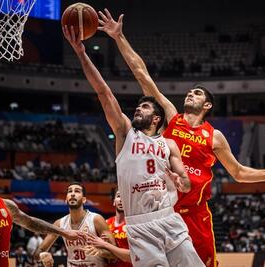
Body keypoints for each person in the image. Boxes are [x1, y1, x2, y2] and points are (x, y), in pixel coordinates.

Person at [97, 9, 265, 267]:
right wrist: (119, 38)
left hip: (196, 216)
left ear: (207, 104)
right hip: (164, 212)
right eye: (190, 91)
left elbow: (239, 172)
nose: (190, 94)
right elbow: (142, 74)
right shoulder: (171, 118)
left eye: (197, 93)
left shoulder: (214, 136)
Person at [63, 24, 205, 267]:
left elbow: (185, 180)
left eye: (145, 107)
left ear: (157, 118)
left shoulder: (169, 143)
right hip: (139, 224)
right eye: (138, 106)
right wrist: (81, 53)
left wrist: (181, 181)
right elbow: (104, 92)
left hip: (168, 218)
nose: (138, 108)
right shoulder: (125, 133)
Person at [35, 182, 115, 267]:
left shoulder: (96, 219)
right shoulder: (59, 223)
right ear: (66, 199)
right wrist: (42, 255)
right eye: (70, 191)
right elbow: (37, 254)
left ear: (84, 200)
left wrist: (100, 251)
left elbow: (115, 254)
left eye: (77, 191)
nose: (72, 194)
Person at [88, 189, 131, 267]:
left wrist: (104, 244)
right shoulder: (105, 223)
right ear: (114, 201)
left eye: (125, 196)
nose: (121, 199)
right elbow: (100, 251)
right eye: (118, 196)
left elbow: (132, 256)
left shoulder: (133, 225)